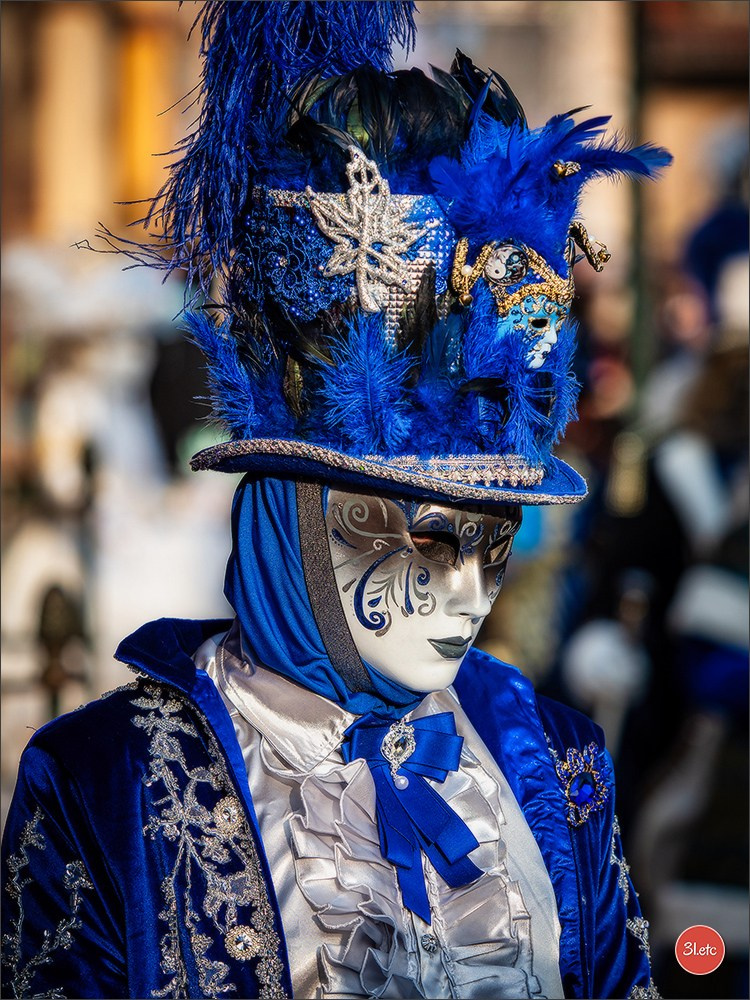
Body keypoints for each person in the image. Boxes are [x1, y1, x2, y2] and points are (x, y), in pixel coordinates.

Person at [1, 3, 670, 997]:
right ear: (299, 516)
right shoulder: (106, 781)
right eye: (424, 534)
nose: (465, 594)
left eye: (491, 539)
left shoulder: (553, 757)